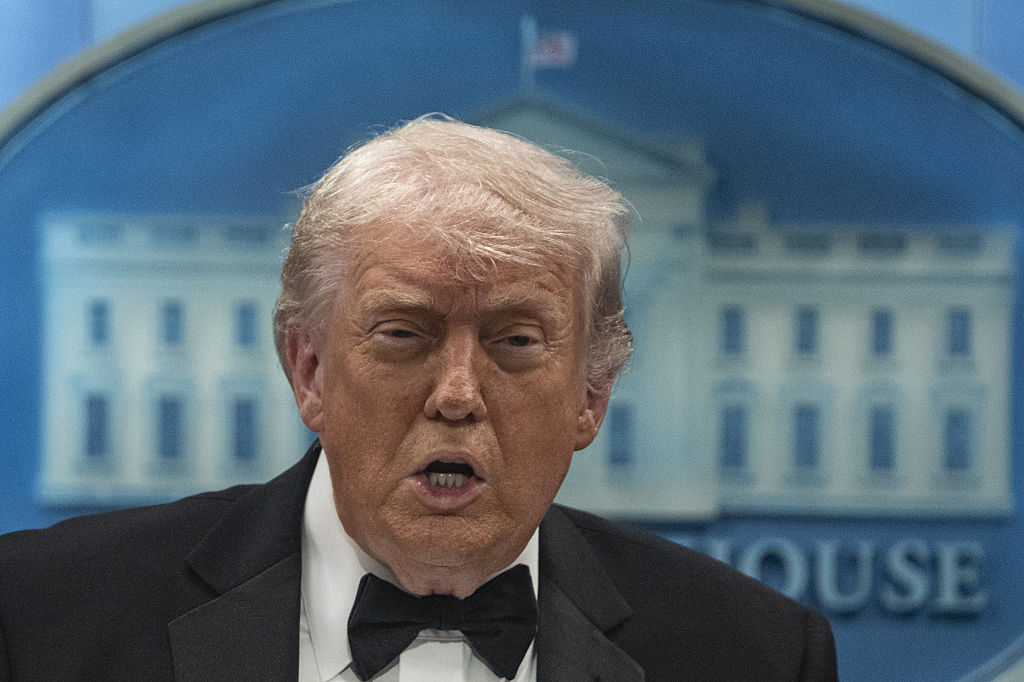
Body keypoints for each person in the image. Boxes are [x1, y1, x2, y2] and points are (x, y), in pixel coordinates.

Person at [0, 115, 838, 681]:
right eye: (404, 333)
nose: (458, 396)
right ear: (309, 371)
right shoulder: (41, 617)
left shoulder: (754, 655)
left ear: (592, 395)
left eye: (516, 342)